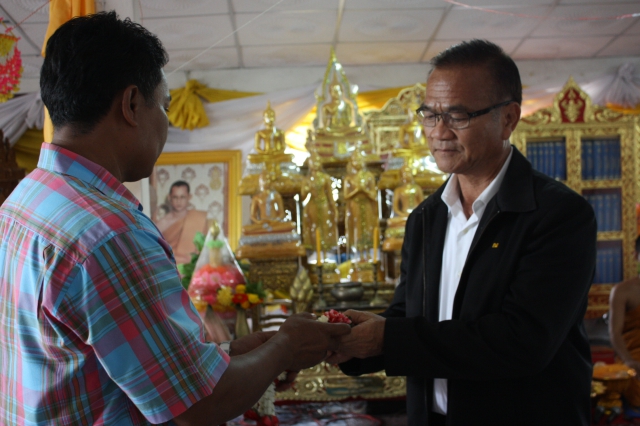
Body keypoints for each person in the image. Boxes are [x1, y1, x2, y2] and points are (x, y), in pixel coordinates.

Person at [0, 12, 350, 426]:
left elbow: (105, 359)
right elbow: (200, 407)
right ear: (132, 104)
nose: (166, 124)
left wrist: (233, 354)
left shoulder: (25, 200)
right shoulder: (109, 234)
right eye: (164, 107)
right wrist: (285, 348)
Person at [330, 39, 597, 425]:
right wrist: (348, 341)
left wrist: (387, 337)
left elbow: (522, 341)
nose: (439, 132)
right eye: (429, 114)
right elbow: (411, 316)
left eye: (457, 116)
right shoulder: (425, 217)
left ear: (508, 118)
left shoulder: (557, 215)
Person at [609, 236, 640, 406]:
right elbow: (614, 333)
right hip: (634, 355)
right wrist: (628, 360)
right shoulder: (622, 291)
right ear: (636, 256)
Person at [155, 180, 209, 264]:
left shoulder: (198, 218)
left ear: (189, 197)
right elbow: (155, 251)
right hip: (171, 265)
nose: (179, 201)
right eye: (175, 197)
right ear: (169, 197)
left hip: (195, 266)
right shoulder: (162, 224)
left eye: (182, 197)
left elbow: (207, 247)